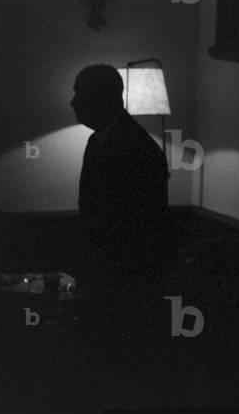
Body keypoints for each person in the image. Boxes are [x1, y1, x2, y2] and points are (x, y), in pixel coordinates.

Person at [71, 64, 172, 330]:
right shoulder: (100, 142)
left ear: (101, 98)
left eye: (80, 94)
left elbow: (136, 226)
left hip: (124, 282)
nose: (73, 103)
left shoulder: (135, 148)